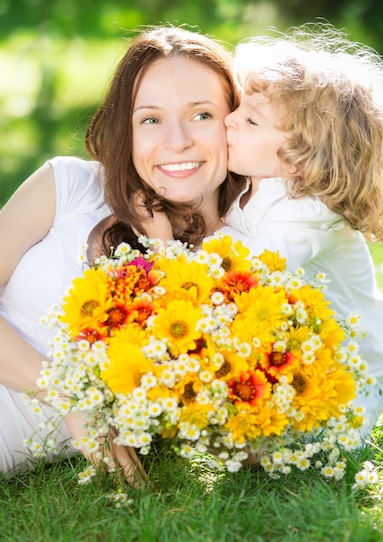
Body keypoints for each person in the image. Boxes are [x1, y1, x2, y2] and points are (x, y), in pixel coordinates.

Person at [0, 25, 243, 477]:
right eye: (150, 119)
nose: (176, 141)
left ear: (234, 121)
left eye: (201, 115)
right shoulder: (70, 186)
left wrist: (164, 247)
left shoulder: (243, 262)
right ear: (126, 131)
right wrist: (69, 395)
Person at [219, 25, 383, 441]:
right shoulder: (253, 187)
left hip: (354, 371)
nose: (229, 121)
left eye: (251, 120)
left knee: (302, 450)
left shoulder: (309, 214)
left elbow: (248, 274)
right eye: (238, 108)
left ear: (300, 159)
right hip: (304, 353)